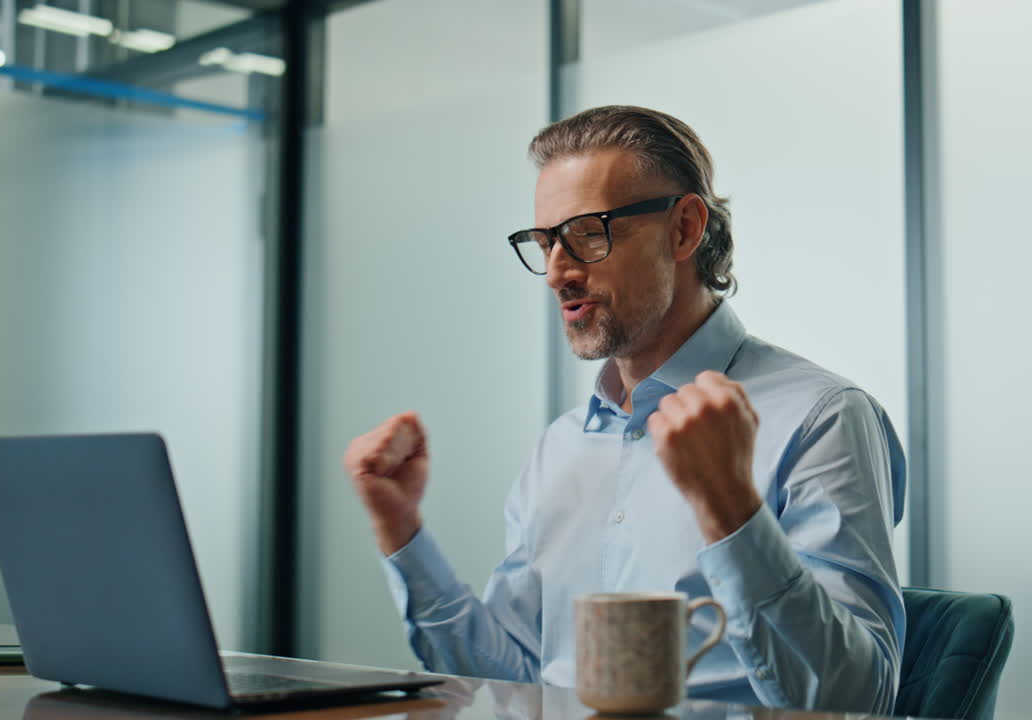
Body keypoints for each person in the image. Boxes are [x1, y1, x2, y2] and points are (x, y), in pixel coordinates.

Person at [343, 105, 906, 714]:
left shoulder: (821, 416)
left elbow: (859, 698)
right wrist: (400, 531)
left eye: (589, 232)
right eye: (544, 241)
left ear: (685, 229)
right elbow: (512, 680)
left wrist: (730, 508)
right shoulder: (561, 446)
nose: (557, 271)